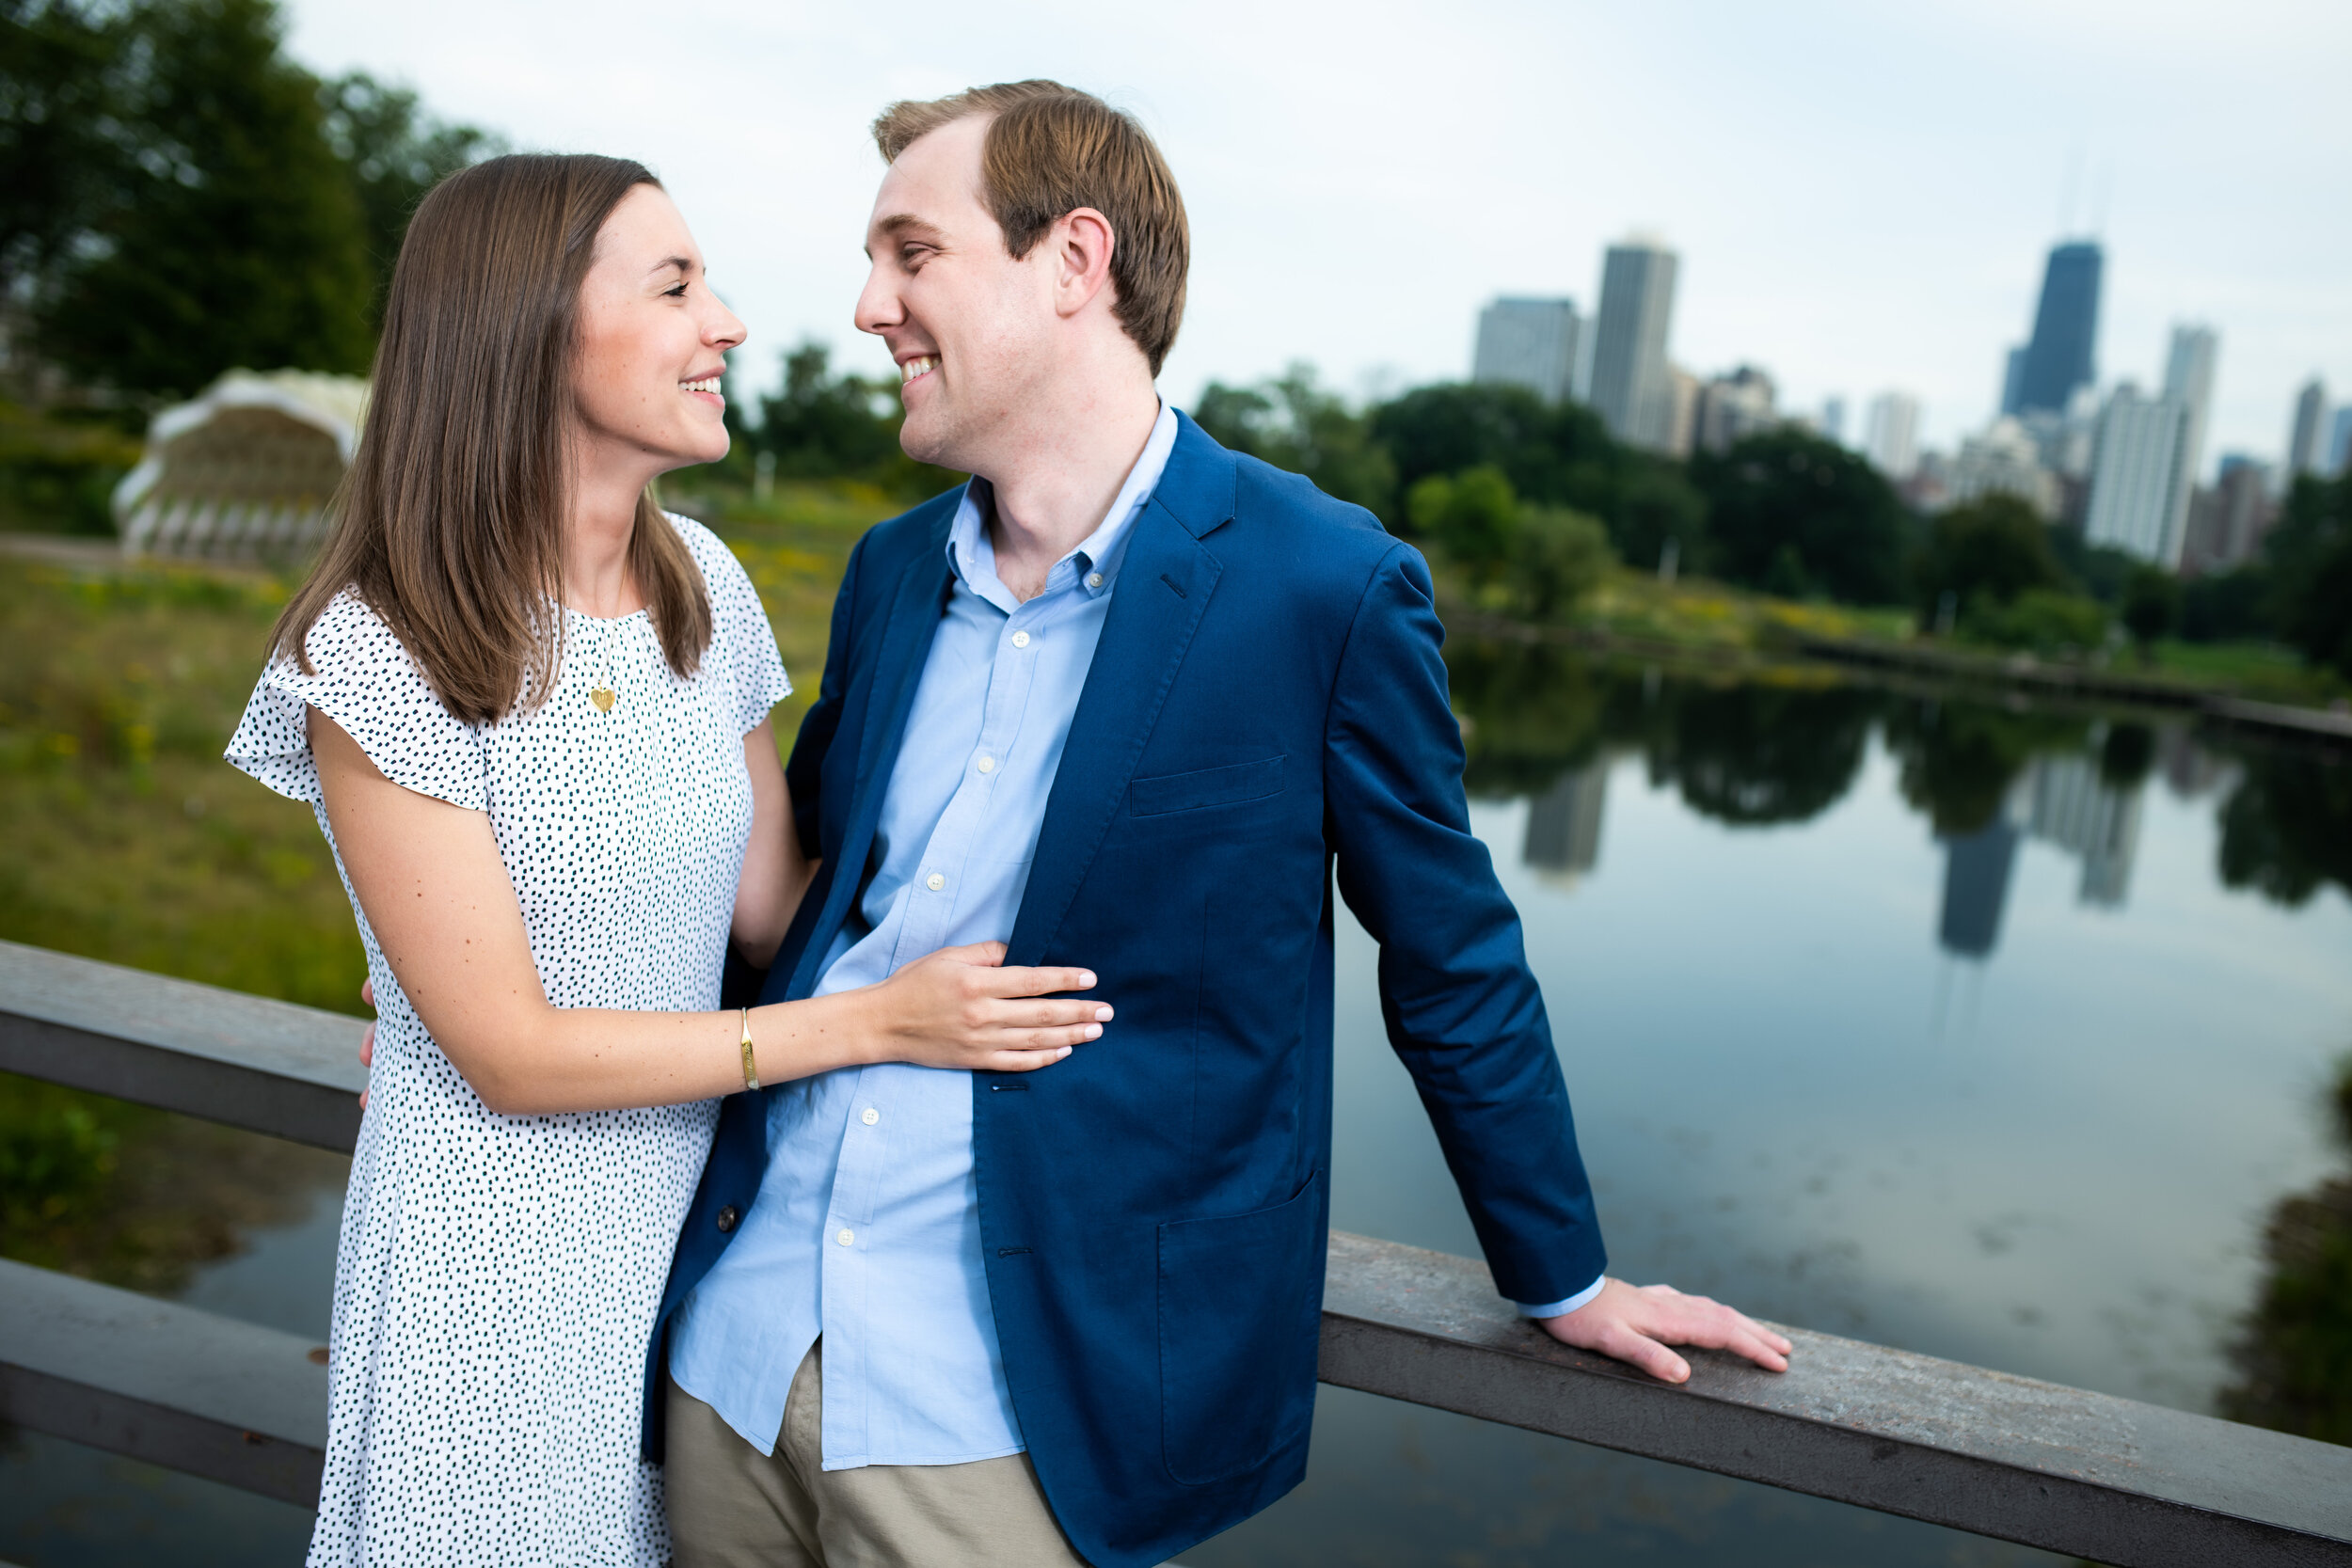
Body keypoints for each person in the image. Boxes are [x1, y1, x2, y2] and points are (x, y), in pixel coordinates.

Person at [652, 82, 1793, 1568]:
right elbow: (795, 913)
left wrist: (1561, 1275)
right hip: (734, 1355)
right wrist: (501, 1013)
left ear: (1074, 262)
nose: (868, 306)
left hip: (1014, 1416)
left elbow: (1450, 954)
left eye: (910, 253)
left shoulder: (1322, 585)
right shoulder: (884, 573)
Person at [227, 152, 1107, 1568]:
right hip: (493, 1285)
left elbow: (773, 911)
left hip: (694, 1262)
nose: (731, 324)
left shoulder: (704, 583)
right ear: (529, 329)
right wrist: (874, 1023)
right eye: (678, 284)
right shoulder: (379, 649)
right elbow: (508, 1051)